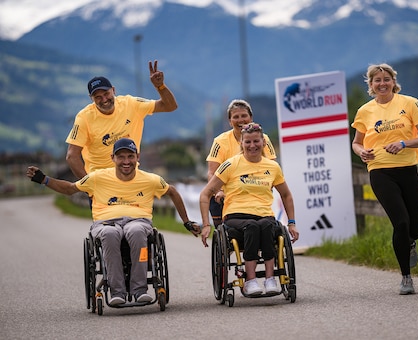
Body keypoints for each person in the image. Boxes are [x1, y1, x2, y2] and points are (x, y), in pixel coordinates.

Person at [26, 138, 200, 306]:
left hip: (138, 221)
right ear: (113, 158)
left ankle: (140, 290)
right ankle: (118, 292)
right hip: (106, 223)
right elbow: (70, 189)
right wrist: (44, 179)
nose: (126, 161)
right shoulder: (97, 177)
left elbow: (173, 192)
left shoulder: (150, 179)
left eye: (130, 156)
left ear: (137, 157)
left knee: (137, 231)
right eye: (121, 157)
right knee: (110, 233)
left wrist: (186, 222)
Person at [351, 63, 418, 295]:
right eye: (377, 80)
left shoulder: (410, 103)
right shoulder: (364, 111)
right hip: (380, 171)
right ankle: (406, 277)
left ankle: (410, 242)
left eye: (386, 79)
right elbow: (357, 142)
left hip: (407, 169)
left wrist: (404, 143)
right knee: (400, 222)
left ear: (393, 81)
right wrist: (361, 152)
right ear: (370, 85)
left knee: (414, 228)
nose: (382, 83)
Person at [199, 122, 299, 296]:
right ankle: (250, 281)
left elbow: (286, 195)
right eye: (248, 142)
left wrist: (291, 223)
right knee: (252, 226)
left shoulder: (272, 167)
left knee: (268, 226)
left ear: (263, 143)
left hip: (264, 214)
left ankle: (270, 279)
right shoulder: (230, 164)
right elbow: (206, 194)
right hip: (236, 216)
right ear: (242, 144)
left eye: (256, 141)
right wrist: (206, 225)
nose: (252, 146)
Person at [66, 60, 178, 179]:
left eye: (106, 93)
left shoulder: (131, 104)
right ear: (91, 99)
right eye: (97, 97)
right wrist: (88, 186)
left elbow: (170, 106)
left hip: (131, 178)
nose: (104, 99)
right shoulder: (84, 117)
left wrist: (160, 86)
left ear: (113, 90)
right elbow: (71, 156)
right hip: (102, 183)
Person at [206, 99, 277, 227]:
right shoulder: (220, 141)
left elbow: (272, 167)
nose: (240, 120)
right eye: (236, 117)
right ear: (230, 121)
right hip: (228, 195)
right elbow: (212, 172)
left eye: (244, 116)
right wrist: (219, 191)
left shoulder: (263, 139)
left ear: (251, 118)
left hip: (257, 189)